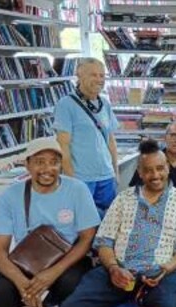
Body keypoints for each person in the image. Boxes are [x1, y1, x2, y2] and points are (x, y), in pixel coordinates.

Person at [53, 139, 176, 307]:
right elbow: (104, 242)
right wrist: (112, 268)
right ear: (139, 172)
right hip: (115, 271)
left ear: (168, 167)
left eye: (160, 168)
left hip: (162, 275)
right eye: (148, 170)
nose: (155, 175)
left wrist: (166, 269)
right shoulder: (123, 199)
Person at [0, 137, 100, 307]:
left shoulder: (77, 189)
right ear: (27, 164)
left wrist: (51, 274)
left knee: (73, 293)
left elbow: (87, 238)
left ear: (61, 164)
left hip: (69, 261)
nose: (47, 169)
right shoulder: (10, 196)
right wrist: (23, 284)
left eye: (54, 162)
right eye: (39, 162)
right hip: (26, 264)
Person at [53, 57, 119, 216]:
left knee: (109, 223)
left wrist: (115, 172)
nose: (99, 79)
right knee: (85, 224)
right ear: (80, 76)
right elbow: (63, 146)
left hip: (106, 176)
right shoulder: (66, 104)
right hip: (82, 179)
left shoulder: (105, 104)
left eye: (102, 75)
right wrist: (71, 181)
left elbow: (110, 139)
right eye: (93, 75)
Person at [129, 121, 176, 220]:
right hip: (148, 218)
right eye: (174, 135)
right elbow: (134, 194)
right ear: (165, 137)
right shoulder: (149, 161)